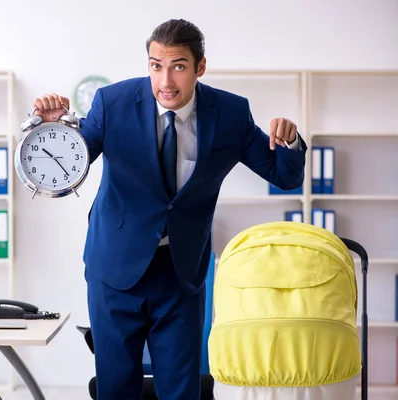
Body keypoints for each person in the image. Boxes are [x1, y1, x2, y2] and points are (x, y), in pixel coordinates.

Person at [33, 18, 306, 400]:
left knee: (181, 391)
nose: (165, 81)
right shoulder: (112, 103)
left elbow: (283, 175)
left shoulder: (230, 113)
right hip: (114, 268)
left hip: (181, 273)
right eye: (155, 66)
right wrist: (52, 131)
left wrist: (290, 141)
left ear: (200, 67)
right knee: (116, 389)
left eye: (178, 66)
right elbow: (71, 164)